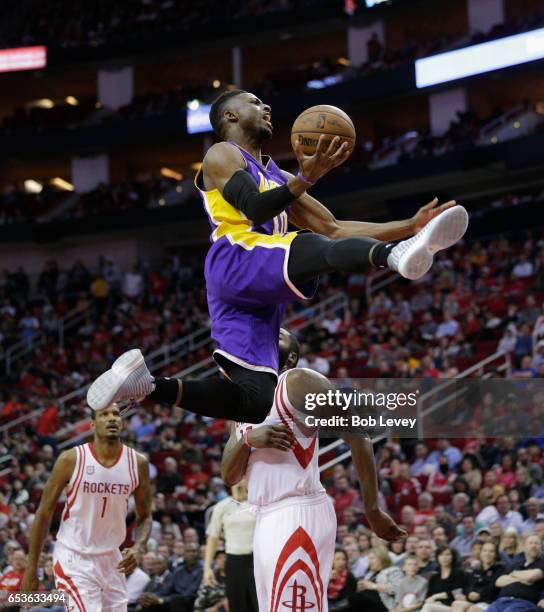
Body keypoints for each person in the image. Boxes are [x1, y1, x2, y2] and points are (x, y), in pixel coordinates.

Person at [86, 90, 469, 425]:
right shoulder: (221, 154)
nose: (265, 106)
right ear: (231, 116)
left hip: (253, 286)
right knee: (308, 245)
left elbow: (334, 227)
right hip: (238, 257)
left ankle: (148, 384)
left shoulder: (278, 175)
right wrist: (305, 180)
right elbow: (253, 208)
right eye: (254, 102)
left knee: (255, 400)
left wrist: (409, 225)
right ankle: (391, 258)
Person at [220, 328, 405, 611]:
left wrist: (372, 510)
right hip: (265, 516)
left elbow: (358, 435)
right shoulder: (244, 402)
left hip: (298, 510)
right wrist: (247, 439)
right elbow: (229, 475)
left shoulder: (297, 381)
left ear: (291, 356)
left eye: (278, 334)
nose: (268, 330)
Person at [21, 403, 152, 611]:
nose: (112, 418)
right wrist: (31, 569)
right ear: (92, 424)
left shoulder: (138, 463)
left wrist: (139, 546)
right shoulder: (70, 459)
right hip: (74, 556)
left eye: (116, 414)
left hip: (112, 560)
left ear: (123, 422)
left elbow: (145, 517)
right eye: (104, 415)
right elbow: (43, 514)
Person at [203, 481, 257, 611]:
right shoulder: (221, 507)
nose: (238, 483)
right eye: (235, 479)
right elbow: (212, 538)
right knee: (237, 605)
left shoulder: (257, 503)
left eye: (241, 479)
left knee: (258, 604)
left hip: (256, 560)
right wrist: (207, 568)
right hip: (234, 561)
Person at [488, 534, 544, 610]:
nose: (533, 546)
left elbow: (532, 576)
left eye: (537, 543)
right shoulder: (516, 564)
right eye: (530, 543)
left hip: (523, 603)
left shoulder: (541, 563)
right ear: (524, 547)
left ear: (541, 547)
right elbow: (499, 581)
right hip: (501, 601)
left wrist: (513, 574)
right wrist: (521, 578)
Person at [451, 542, 505, 612]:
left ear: (496, 554)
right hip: (475, 601)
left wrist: (480, 594)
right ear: (481, 553)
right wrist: (469, 593)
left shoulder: (500, 569)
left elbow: (493, 587)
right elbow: (468, 585)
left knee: (472, 610)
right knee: (456, 604)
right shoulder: (476, 570)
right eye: (484, 550)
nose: (487, 554)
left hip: (490, 602)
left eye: (491, 551)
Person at [421, 546, 470, 611]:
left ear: (453, 557)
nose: (444, 558)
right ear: (437, 557)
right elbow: (428, 597)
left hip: (453, 607)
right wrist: (434, 601)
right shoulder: (434, 577)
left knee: (428, 607)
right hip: (436, 606)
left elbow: (456, 593)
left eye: (447, 554)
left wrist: (436, 597)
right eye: (441, 555)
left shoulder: (459, 573)